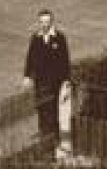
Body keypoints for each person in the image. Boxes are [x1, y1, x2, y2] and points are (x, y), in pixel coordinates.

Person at [21, 9, 72, 146]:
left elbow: (65, 60)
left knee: (53, 108)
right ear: (39, 23)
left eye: (47, 22)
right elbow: (30, 58)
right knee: (41, 106)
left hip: (55, 81)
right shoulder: (36, 38)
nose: (44, 24)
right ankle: (43, 134)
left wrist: (66, 81)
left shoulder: (59, 38)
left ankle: (54, 136)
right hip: (40, 80)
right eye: (42, 22)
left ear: (51, 22)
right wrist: (27, 76)